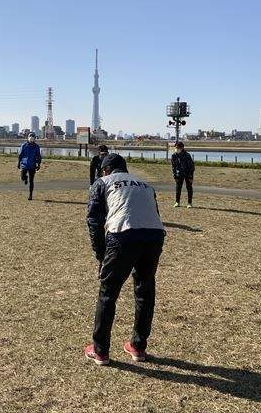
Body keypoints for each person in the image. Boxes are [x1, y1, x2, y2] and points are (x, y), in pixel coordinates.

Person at [85, 153, 165, 366]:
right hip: (154, 235)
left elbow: (94, 220)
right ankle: (138, 346)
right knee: (145, 290)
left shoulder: (102, 182)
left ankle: (100, 350)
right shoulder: (145, 184)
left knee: (108, 293)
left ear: (105, 170)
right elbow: (154, 213)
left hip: (122, 235)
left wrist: (101, 254)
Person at [17, 132, 41, 200]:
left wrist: (38, 164)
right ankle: (25, 178)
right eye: (30, 137)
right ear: (28, 138)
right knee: (22, 177)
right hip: (24, 165)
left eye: (33, 138)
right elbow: (20, 155)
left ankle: (30, 195)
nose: (31, 139)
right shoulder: (24, 145)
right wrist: (18, 163)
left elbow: (38, 156)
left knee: (31, 181)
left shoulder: (36, 146)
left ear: (35, 139)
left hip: (32, 165)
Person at [171, 141, 195, 208]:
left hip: (188, 173)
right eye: (176, 148)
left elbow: (192, 167)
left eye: (178, 148)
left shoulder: (187, 155)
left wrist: (191, 177)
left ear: (182, 148)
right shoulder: (174, 156)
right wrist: (175, 175)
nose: (177, 149)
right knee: (178, 188)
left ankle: (189, 203)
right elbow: (173, 167)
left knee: (189, 188)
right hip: (179, 174)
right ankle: (177, 202)